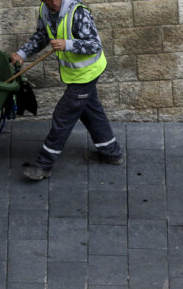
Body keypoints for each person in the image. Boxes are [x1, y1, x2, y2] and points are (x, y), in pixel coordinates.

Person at [11, 0, 122, 181]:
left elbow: (95, 45)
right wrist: (22, 53)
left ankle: (43, 165)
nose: (54, 3)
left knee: (63, 116)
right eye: (49, 0)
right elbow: (42, 35)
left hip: (87, 73)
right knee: (90, 111)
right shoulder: (45, 10)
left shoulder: (78, 12)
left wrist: (67, 44)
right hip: (76, 74)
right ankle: (112, 153)